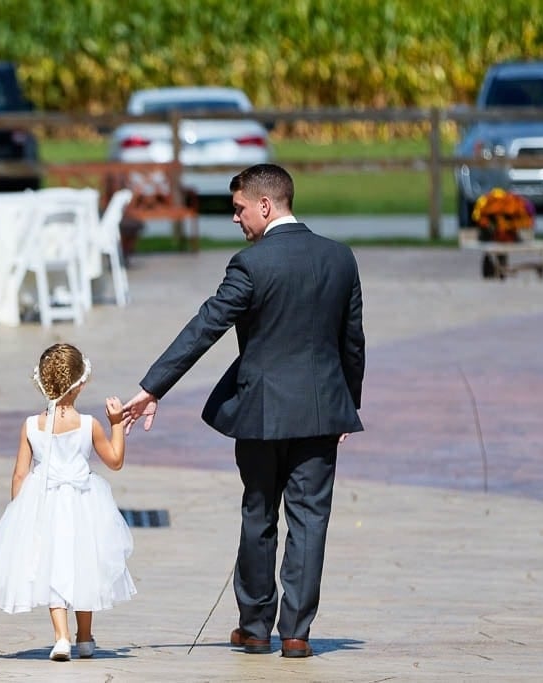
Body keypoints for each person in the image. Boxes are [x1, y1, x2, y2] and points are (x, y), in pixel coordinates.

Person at [123, 163, 365, 659]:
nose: (235, 220)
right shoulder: (340, 259)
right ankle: (295, 632)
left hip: (261, 414)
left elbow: (204, 327)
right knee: (310, 518)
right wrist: (346, 406)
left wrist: (153, 387)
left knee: (259, 512)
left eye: (238, 210)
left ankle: (255, 628)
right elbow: (352, 343)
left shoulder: (251, 265)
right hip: (321, 413)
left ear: (265, 205)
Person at [0, 343, 136, 662]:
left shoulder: (31, 426)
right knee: (83, 564)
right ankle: (86, 638)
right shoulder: (89, 424)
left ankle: (61, 637)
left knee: (53, 566)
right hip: (83, 503)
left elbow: (19, 475)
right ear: (82, 382)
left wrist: (20, 513)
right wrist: (117, 422)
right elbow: (115, 461)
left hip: (45, 503)